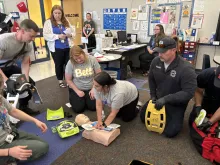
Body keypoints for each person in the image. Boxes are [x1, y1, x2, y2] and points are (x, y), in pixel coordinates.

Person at [140, 37, 197, 138]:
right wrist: (153, 95)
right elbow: (151, 79)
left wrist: (166, 99)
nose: (159, 54)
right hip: (159, 97)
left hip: (175, 102)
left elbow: (189, 92)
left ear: (174, 50)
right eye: (158, 52)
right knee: (142, 117)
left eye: (163, 52)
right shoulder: (156, 61)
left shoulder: (186, 68)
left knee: (170, 132)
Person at [0, 74, 49, 164]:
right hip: (2, 146)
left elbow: (13, 111)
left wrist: (35, 121)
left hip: (9, 132)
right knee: (42, 147)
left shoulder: (0, 98)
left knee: (41, 143)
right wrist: (9, 151)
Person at [0, 19, 39, 115]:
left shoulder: (28, 44)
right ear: (22, 31)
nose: (33, 39)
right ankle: (5, 114)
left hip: (9, 66)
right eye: (31, 36)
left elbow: (25, 63)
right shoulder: (3, 40)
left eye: (34, 36)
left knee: (28, 84)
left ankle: (23, 107)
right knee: (4, 89)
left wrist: (24, 80)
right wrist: (6, 81)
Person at [43, 5, 75, 88]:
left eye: (59, 13)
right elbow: (46, 35)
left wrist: (70, 34)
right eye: (55, 13)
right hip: (56, 48)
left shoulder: (66, 21)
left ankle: (68, 80)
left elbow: (73, 32)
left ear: (62, 14)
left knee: (68, 64)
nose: (57, 15)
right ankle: (60, 80)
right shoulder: (48, 22)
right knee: (59, 65)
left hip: (67, 47)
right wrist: (58, 36)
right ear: (52, 13)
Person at [65, 46, 101, 113]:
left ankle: (86, 99)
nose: (78, 60)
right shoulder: (70, 63)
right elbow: (68, 80)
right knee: (78, 109)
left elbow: (99, 75)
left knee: (93, 107)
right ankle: (77, 98)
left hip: (91, 87)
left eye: (80, 57)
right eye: (76, 59)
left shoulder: (92, 59)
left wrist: (94, 88)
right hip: (77, 88)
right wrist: (77, 91)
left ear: (83, 53)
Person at [189, 66, 220, 132]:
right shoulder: (206, 74)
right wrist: (198, 106)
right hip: (208, 97)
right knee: (193, 120)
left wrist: (209, 122)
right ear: (215, 72)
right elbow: (198, 91)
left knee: (215, 128)